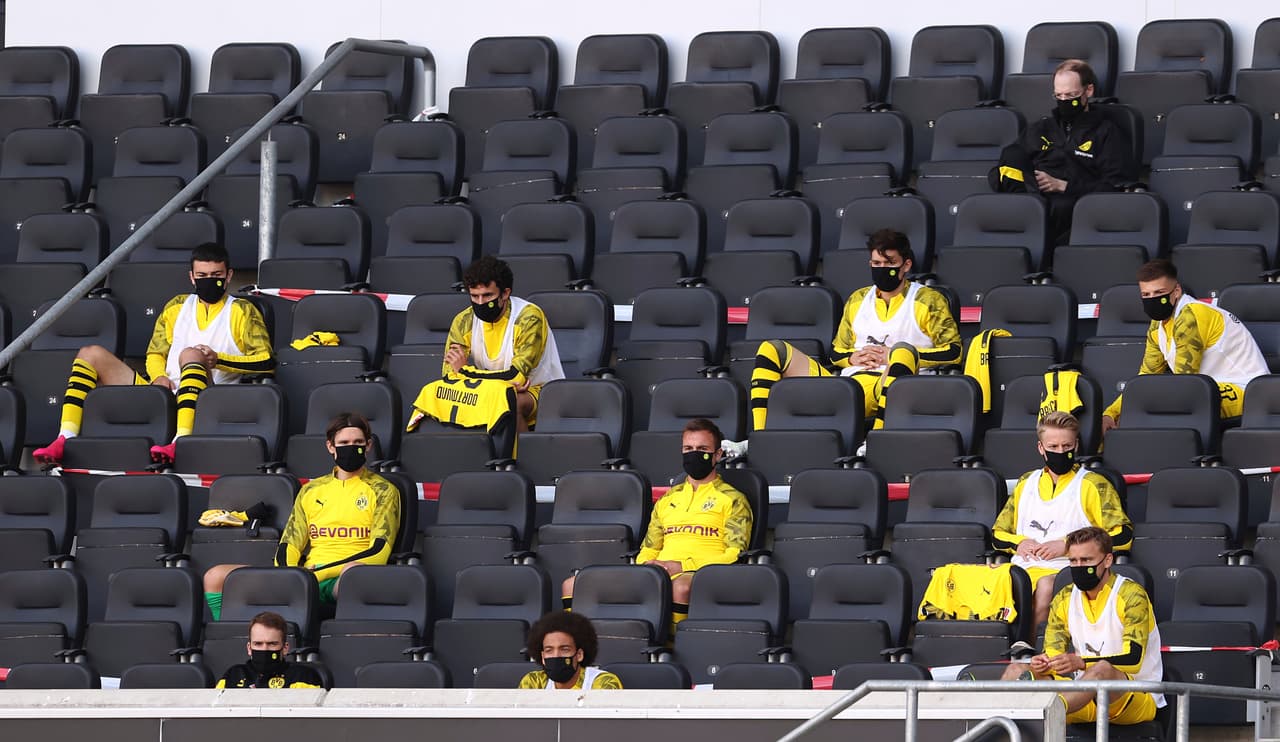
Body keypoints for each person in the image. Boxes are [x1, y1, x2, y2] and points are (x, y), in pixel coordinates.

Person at [33, 241, 275, 465]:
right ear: (192, 277)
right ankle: (65, 437)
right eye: (202, 276)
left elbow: (266, 361)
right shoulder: (176, 306)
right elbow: (155, 353)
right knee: (90, 353)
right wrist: (159, 376)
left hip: (210, 398)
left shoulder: (243, 311)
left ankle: (181, 441)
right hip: (166, 391)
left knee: (190, 354)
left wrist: (218, 360)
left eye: (216, 276)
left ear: (229, 275)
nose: (209, 281)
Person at [748, 229, 961, 435]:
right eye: (877, 263)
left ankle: (879, 437)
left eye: (890, 263)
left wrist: (893, 355)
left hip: (892, 386)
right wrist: (852, 357)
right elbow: (836, 352)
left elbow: (954, 351)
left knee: (902, 350)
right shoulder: (857, 299)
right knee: (771, 349)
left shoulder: (928, 300)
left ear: (906, 265)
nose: (882, 268)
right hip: (847, 387)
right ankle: (760, 436)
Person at [202, 412, 400, 620]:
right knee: (216, 576)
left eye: (358, 442)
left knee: (354, 574)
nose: (351, 447)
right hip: (305, 575)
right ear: (330, 446)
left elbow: (378, 552)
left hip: (340, 578)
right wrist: (292, 575)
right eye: (344, 443)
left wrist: (317, 575)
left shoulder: (383, 490)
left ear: (368, 446)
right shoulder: (311, 490)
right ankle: (229, 634)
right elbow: (290, 543)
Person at [560, 418, 753, 630]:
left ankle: (673, 646)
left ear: (717, 455)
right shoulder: (667, 500)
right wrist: (648, 565)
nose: (694, 454)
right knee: (572, 585)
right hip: (659, 573)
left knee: (680, 587)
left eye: (702, 449)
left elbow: (734, 554)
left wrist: (682, 566)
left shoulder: (734, 499)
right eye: (688, 449)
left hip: (701, 574)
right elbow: (650, 547)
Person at [1001, 527, 1164, 726]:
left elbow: (1134, 660)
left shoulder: (1132, 595)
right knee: (1016, 670)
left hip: (1135, 694)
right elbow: (1053, 654)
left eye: (1086, 560)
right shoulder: (1064, 597)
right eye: (1073, 561)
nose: (1079, 567)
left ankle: (1046, 711)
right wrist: (1045, 662)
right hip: (1082, 695)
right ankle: (997, 720)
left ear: (1108, 560)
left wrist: (1081, 663)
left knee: (1102, 670)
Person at [992, 411, 1132, 626]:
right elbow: (998, 534)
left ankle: (1029, 644)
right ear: (1041, 448)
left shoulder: (1094, 484)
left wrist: (1068, 546)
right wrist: (1019, 543)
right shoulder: (1026, 482)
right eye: (1053, 447)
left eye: (1067, 446)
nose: (1060, 452)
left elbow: (1123, 536)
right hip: (1020, 568)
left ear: (1076, 445)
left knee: (1046, 586)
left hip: (1067, 569)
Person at [1102, 259, 1269, 434]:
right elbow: (1145, 378)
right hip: (1206, 388)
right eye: (1146, 294)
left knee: (1166, 406)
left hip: (1247, 392)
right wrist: (1111, 413)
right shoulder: (1157, 325)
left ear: (1176, 291)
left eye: (1159, 292)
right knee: (1131, 411)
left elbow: (1184, 382)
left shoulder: (1192, 316)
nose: (1152, 299)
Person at [407, 255, 563, 434]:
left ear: (505, 293)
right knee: (439, 394)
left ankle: (522, 452)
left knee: (510, 401)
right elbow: (450, 375)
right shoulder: (464, 320)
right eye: (474, 296)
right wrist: (498, 383)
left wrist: (464, 370)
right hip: (489, 391)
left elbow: (516, 377)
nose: (480, 303)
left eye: (487, 295)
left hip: (540, 391)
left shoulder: (528, 318)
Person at [992, 59, 1134, 242]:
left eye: (1071, 95)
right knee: (1011, 156)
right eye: (1059, 96)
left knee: (1059, 207)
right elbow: (1002, 170)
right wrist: (1031, 184)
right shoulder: (1040, 128)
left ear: (1088, 90)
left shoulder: (1106, 132)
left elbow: (1115, 187)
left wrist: (1063, 185)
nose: (1064, 101)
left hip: (1075, 210)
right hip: (1032, 204)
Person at [216, 611, 323, 689]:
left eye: (272, 644)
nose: (265, 649)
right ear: (249, 648)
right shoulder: (233, 675)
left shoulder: (302, 677)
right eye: (258, 644)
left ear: (285, 648)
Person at [517, 611, 623, 690]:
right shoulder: (534, 682)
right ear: (543, 657)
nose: (556, 655)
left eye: (564, 649)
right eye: (549, 650)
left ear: (579, 654)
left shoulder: (602, 682)